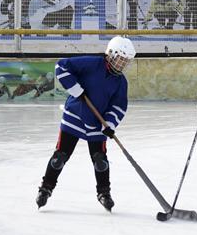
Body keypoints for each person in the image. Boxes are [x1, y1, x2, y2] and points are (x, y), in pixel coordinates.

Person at [36, 36, 136, 212]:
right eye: (121, 59)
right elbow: (61, 66)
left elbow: (119, 106)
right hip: (74, 116)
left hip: (97, 123)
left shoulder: (121, 82)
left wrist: (110, 123)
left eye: (126, 61)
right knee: (60, 156)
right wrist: (75, 89)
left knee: (100, 161)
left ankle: (104, 193)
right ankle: (46, 188)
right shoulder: (93, 63)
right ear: (111, 54)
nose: (123, 64)